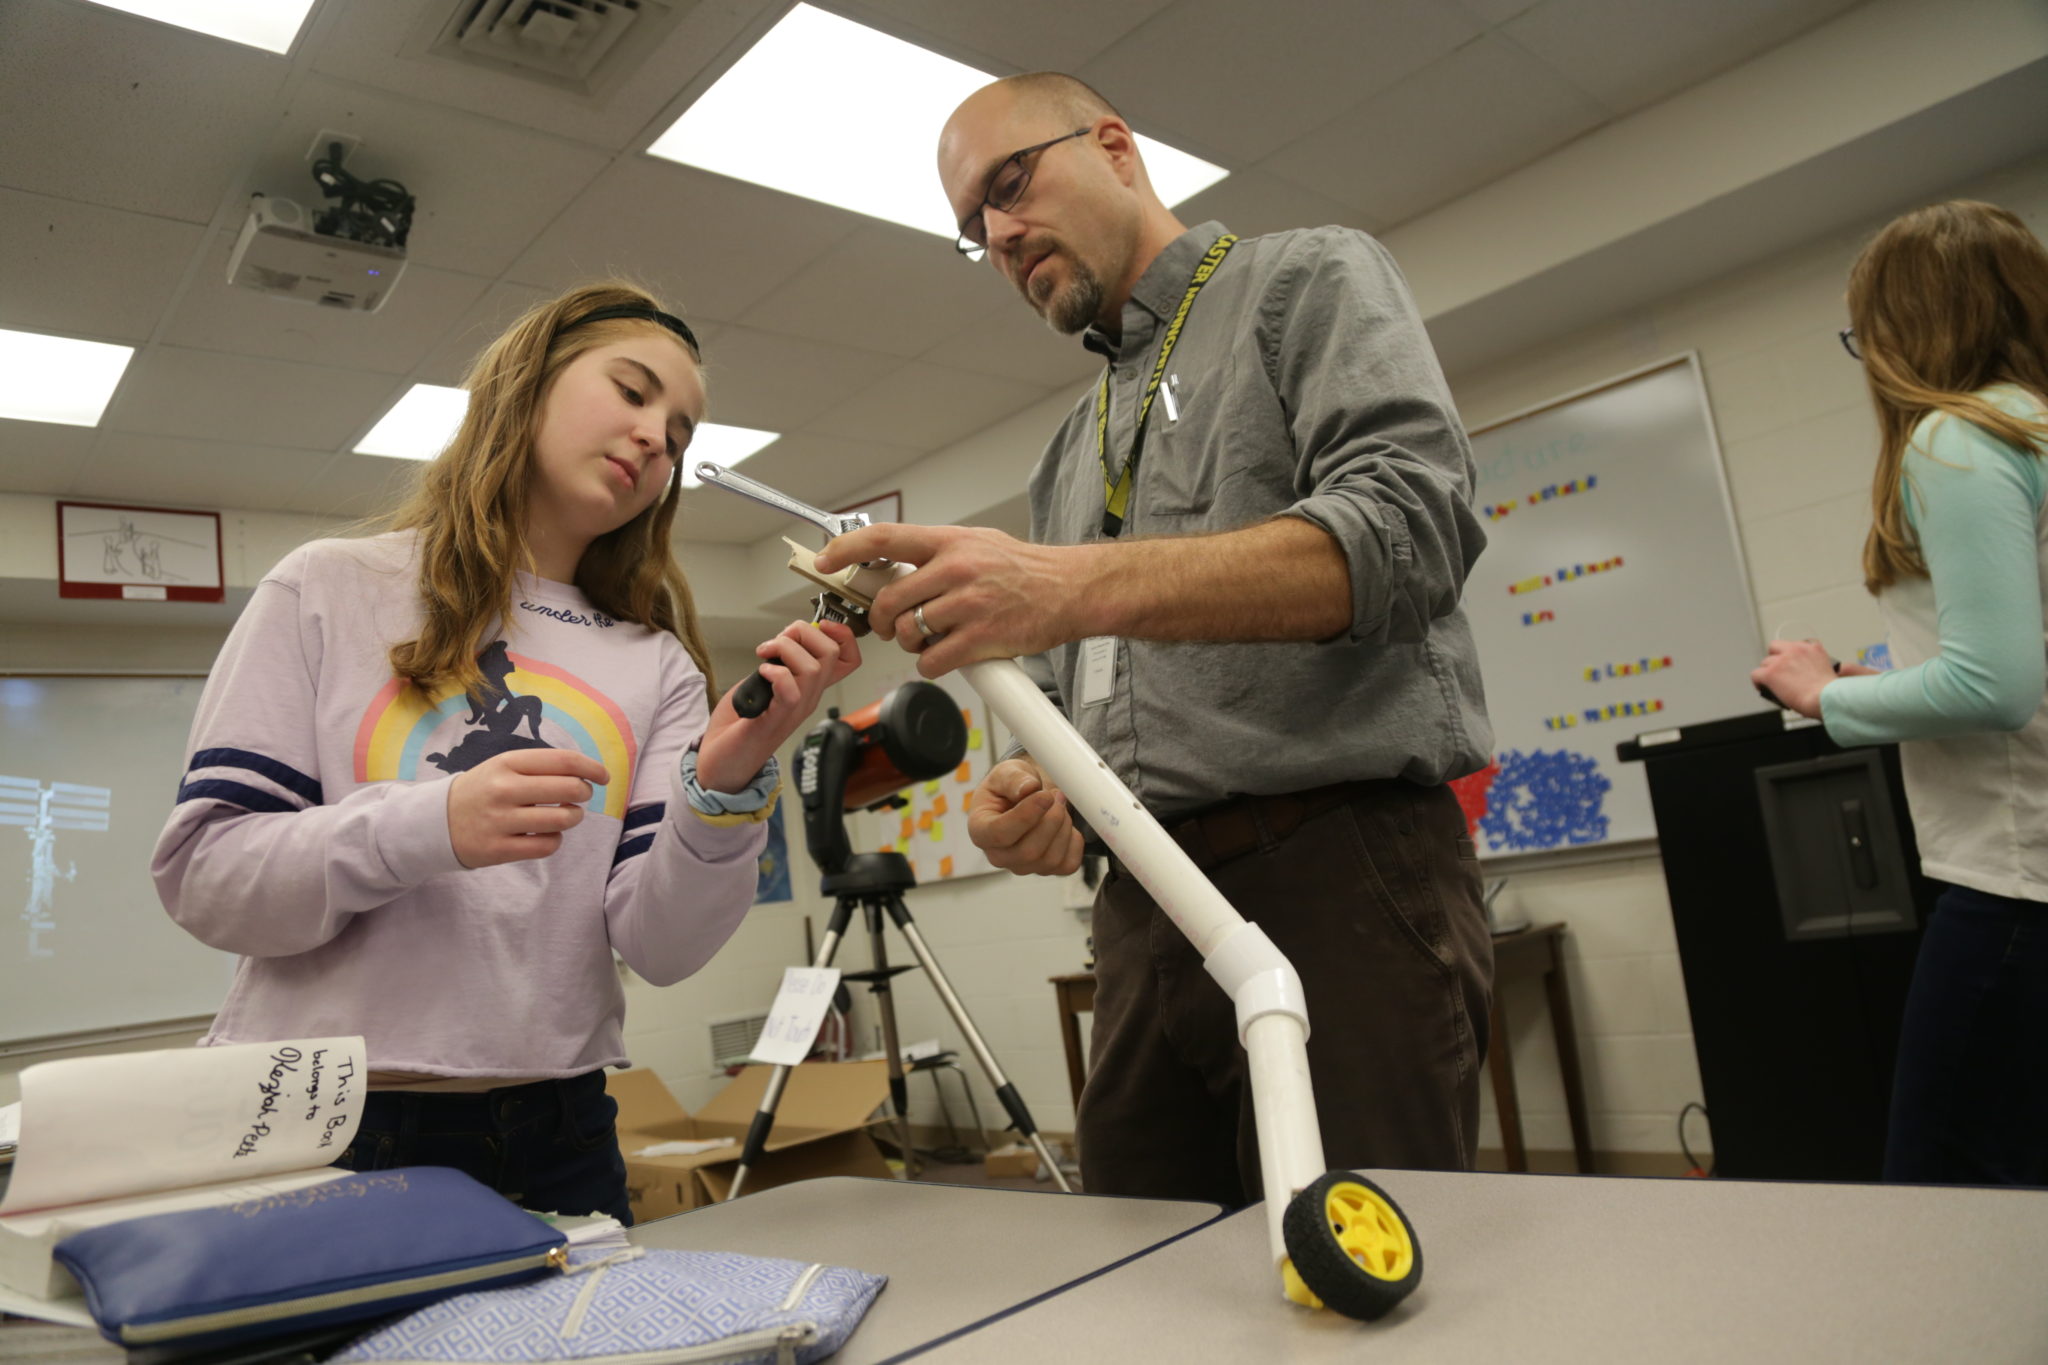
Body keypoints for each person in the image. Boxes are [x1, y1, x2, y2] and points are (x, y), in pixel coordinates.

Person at [817, 74, 1495, 1208]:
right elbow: (1070, 684)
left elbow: (1408, 532)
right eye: (971, 227)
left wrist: (1066, 582)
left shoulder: (1306, 279)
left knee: (1352, 1286)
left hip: (1337, 879)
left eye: (1010, 183)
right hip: (1140, 913)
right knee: (1139, 1279)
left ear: (1117, 146)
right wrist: (1034, 785)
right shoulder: (1068, 449)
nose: (997, 233)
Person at [153, 282, 861, 1222]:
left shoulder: (655, 666)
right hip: (330, 1126)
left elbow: (661, 945)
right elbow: (205, 875)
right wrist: (430, 825)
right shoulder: (327, 588)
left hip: (560, 1133)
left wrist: (723, 783)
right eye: (633, 390)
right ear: (526, 385)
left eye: (682, 433)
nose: (658, 437)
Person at [1750, 201, 2048, 1188]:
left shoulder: (1952, 442)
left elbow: (1994, 686)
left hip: (2012, 884)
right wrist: (1874, 681)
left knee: (1940, 1198)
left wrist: (1820, 697)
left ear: (1907, 326)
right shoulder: (2031, 429)